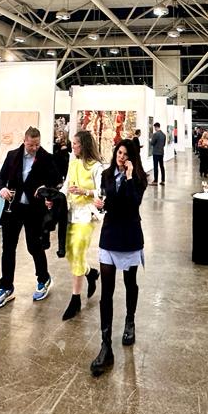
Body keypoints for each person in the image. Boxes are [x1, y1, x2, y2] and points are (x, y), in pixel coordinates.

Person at [89, 139, 148, 376]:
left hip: (130, 235)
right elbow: (106, 204)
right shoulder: (106, 175)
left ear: (132, 158)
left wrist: (130, 177)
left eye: (125, 154)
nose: (121, 157)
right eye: (119, 153)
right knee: (107, 291)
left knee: (130, 282)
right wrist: (99, 205)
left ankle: (130, 321)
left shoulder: (140, 178)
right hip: (110, 235)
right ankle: (105, 346)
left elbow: (134, 203)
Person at [0, 127, 60, 309]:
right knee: (8, 248)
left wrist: (46, 189)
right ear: (24, 141)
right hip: (13, 209)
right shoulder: (12, 155)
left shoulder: (46, 157)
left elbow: (56, 180)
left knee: (34, 246)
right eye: (31, 145)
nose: (34, 148)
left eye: (37, 144)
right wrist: (2, 189)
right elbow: (1, 178)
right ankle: (6, 287)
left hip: (35, 210)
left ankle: (44, 279)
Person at [53, 130, 103, 321]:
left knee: (78, 251)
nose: (72, 146)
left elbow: (101, 191)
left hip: (87, 215)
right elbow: (66, 185)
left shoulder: (96, 167)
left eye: (75, 143)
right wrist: (56, 198)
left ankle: (75, 299)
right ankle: (91, 273)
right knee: (70, 253)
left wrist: (84, 191)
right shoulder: (73, 162)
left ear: (84, 145)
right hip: (70, 213)